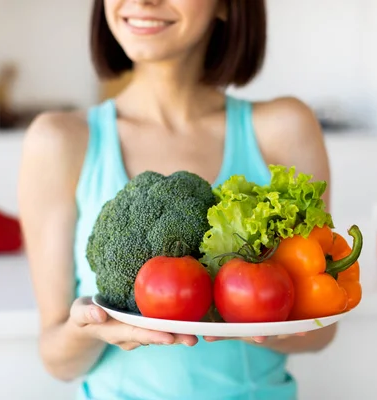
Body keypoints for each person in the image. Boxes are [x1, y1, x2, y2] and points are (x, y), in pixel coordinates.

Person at [18, 1, 337, 399]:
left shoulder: (285, 128)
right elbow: (56, 359)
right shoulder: (59, 140)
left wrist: (252, 320)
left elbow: (321, 332)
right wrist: (92, 330)